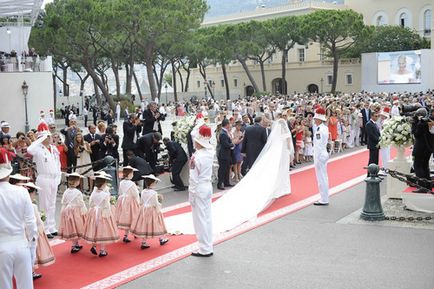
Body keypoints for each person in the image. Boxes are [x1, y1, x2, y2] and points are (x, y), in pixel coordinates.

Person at [0, 148, 37, 289]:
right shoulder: (21, 192)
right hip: (21, 244)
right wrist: (32, 247)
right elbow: (31, 223)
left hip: (2, 246)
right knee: (26, 285)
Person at [27, 129, 62, 238]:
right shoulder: (38, 149)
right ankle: (45, 228)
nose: (51, 138)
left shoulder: (53, 148)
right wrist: (41, 138)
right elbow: (29, 149)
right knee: (45, 204)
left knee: (52, 204)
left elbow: (58, 164)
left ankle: (52, 227)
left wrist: (58, 177)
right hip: (44, 178)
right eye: (48, 136)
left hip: (53, 178)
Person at [189, 126, 215, 257]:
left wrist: (191, 194)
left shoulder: (196, 157)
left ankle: (204, 248)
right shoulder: (210, 152)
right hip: (208, 186)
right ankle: (208, 244)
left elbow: (193, 178)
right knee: (207, 217)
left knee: (200, 219)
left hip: (199, 187)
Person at [83, 172, 119, 257]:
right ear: (103, 184)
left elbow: (91, 203)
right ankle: (102, 251)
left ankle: (94, 246)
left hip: (94, 213)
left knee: (94, 229)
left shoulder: (94, 193)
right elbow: (106, 206)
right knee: (102, 231)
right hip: (102, 214)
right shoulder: (105, 195)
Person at [24, 182, 55, 278]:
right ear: (30, 193)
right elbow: (37, 221)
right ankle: (31, 272)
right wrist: (41, 222)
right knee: (32, 252)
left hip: (22, 231)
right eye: (33, 193)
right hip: (31, 231)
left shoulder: (20, 204)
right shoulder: (33, 206)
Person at [130, 174, 169, 249]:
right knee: (157, 224)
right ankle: (161, 239)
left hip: (143, 210)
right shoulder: (154, 193)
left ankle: (144, 242)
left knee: (144, 225)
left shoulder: (144, 191)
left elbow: (141, 201)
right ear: (152, 183)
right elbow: (155, 203)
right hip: (152, 210)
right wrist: (159, 207)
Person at [58, 173, 87, 253]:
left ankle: (75, 244)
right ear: (76, 182)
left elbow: (64, 202)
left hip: (68, 212)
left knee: (72, 228)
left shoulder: (66, 191)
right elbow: (81, 203)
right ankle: (74, 245)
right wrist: (84, 211)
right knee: (77, 227)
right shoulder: (78, 192)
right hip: (76, 212)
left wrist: (63, 211)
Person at [411, 108, 434, 192]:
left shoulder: (420, 123)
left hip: (420, 148)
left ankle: (422, 186)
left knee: (417, 165)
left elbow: (416, 134)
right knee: (425, 166)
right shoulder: (430, 121)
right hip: (428, 148)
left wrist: (418, 123)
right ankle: (428, 185)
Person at [116, 166, 140, 243]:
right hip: (130, 202)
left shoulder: (121, 182)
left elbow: (120, 192)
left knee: (126, 219)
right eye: (132, 173)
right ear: (129, 174)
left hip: (123, 201)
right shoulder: (132, 184)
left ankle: (126, 235)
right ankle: (135, 232)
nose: (133, 174)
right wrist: (138, 202)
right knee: (134, 217)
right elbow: (135, 194)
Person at [312, 107, 330, 206]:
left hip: (320, 154)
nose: (314, 120)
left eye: (315, 118)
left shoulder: (320, 129)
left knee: (321, 177)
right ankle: (324, 197)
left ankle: (324, 198)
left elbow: (318, 145)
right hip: (323, 152)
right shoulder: (324, 127)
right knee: (323, 176)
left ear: (319, 119)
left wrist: (317, 157)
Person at [217, 119, 234, 190]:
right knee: (222, 169)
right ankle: (220, 183)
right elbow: (225, 144)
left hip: (227, 153)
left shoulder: (225, 132)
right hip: (223, 154)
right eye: (229, 124)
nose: (230, 125)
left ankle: (226, 182)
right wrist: (232, 144)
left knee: (227, 168)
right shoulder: (223, 133)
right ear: (227, 124)